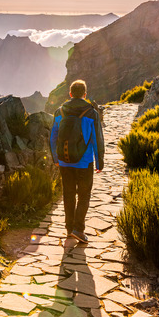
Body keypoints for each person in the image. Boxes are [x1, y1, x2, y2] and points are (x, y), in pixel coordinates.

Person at [50, 80, 105, 243]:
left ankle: (69, 229)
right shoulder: (91, 113)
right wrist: (99, 161)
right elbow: (97, 139)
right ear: (85, 95)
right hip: (84, 162)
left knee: (68, 194)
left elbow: (53, 137)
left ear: (70, 94)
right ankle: (78, 229)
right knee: (84, 195)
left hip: (64, 161)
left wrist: (55, 158)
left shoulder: (60, 111)